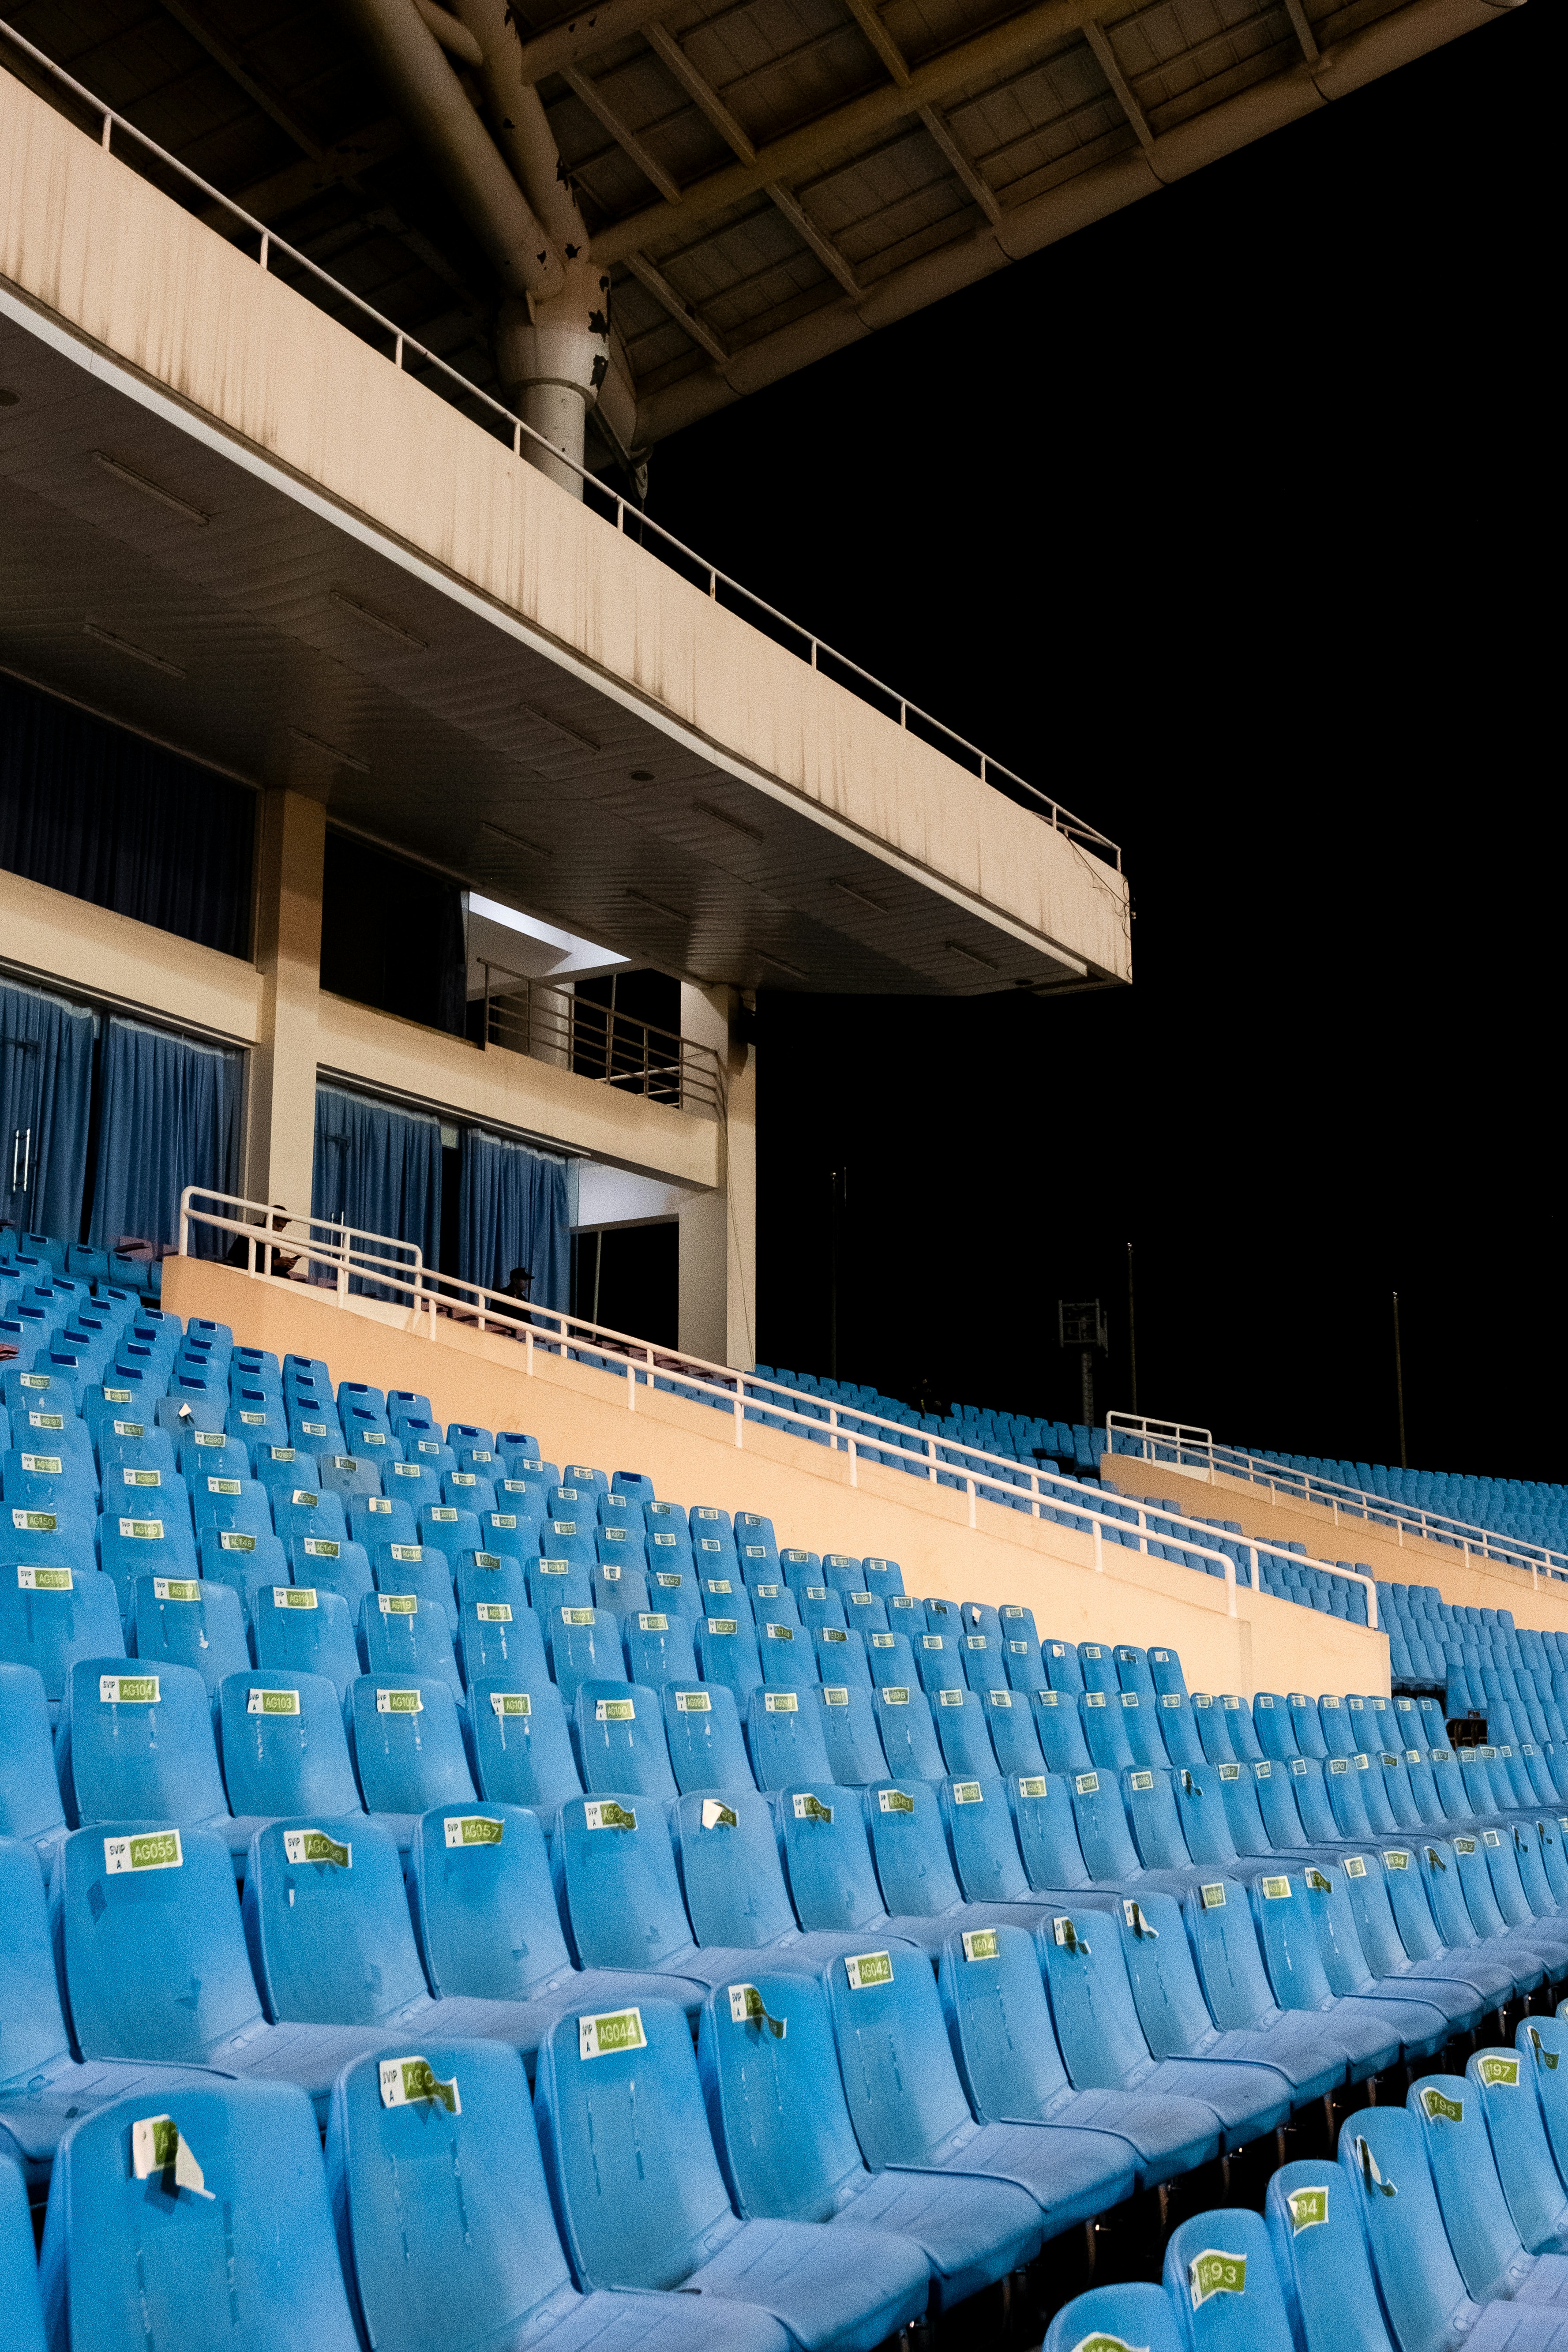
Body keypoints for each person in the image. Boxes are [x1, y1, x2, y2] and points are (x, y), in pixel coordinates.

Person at [226, 1206, 301, 1279]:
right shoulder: (252, 1232)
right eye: (278, 1226)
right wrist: (276, 1263)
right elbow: (240, 1260)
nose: (280, 1230)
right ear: (269, 1221)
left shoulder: (273, 1241)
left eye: (283, 1227)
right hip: (242, 1274)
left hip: (260, 1276)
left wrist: (286, 1266)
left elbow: (272, 1270)